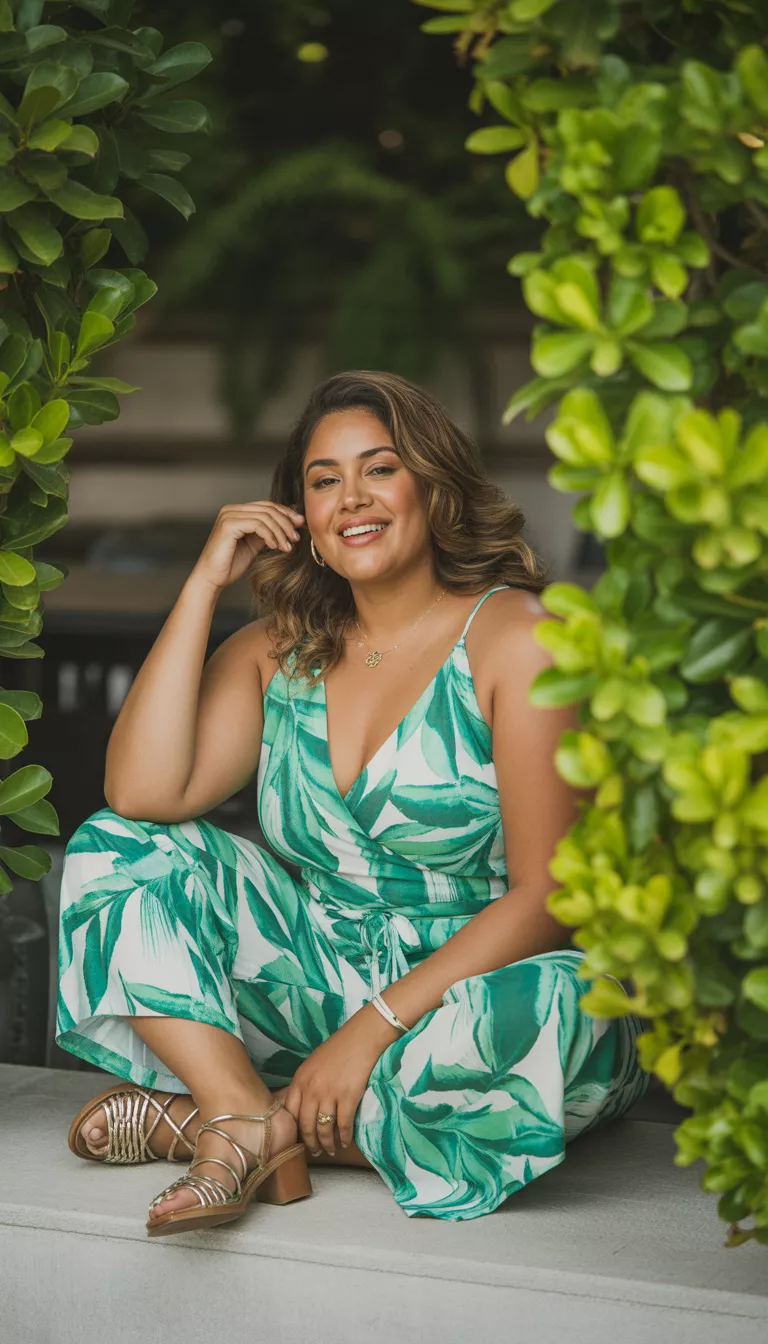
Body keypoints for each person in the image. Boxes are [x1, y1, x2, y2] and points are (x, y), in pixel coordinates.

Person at [58, 369, 649, 1237]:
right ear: (298, 512)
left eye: (380, 469)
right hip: (316, 982)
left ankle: (217, 1126)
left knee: (561, 1014)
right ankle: (239, 1109)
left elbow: (548, 897)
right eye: (323, 479)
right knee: (117, 846)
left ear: (432, 483)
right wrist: (201, 586)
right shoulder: (278, 648)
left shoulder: (520, 638)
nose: (351, 498)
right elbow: (140, 793)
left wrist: (369, 1032)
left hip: (475, 996)